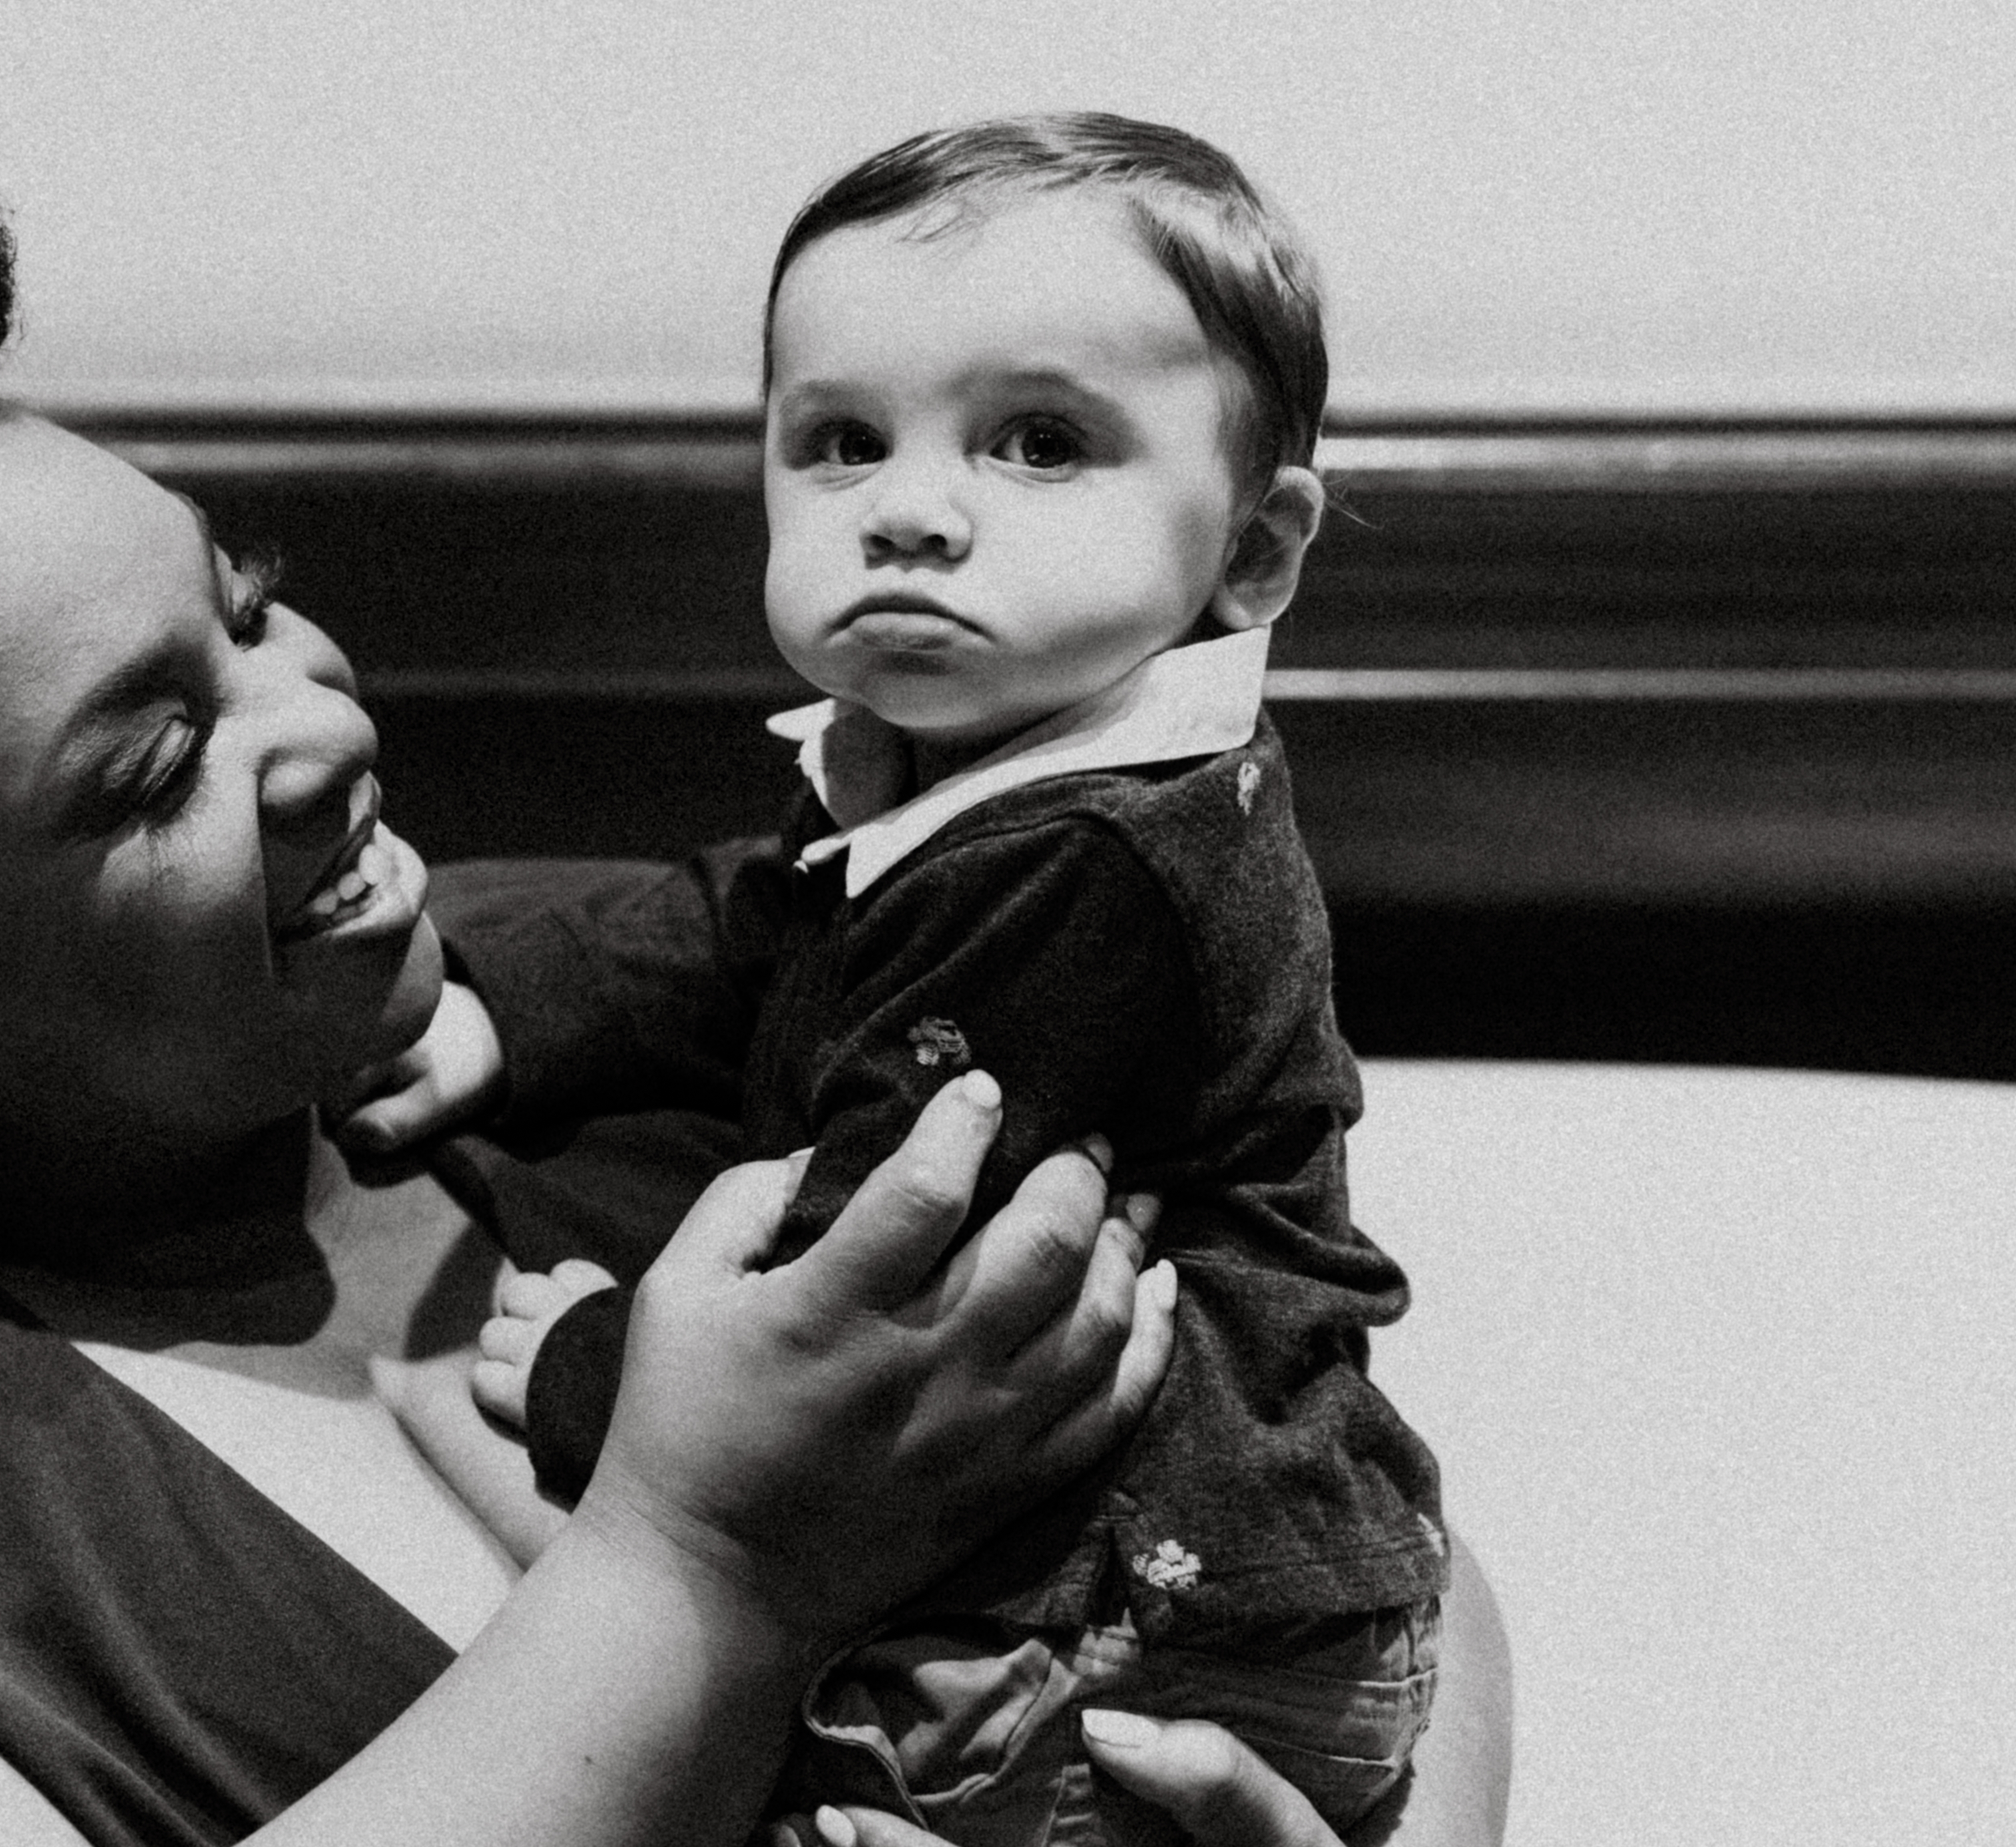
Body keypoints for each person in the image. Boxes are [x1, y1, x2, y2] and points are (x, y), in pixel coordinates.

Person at [0, 123, 1506, 1846]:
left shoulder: (597, 1014)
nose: (325, 720)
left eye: (249, 596)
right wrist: (699, 1572)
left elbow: (1348, 1507)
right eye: (156, 755)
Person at [339, 117, 1443, 1844]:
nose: (913, 512)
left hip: (1138, 1641)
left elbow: (879, 1260)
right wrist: (503, 1011)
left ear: (1254, 546)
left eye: (1039, 443)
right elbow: (753, 914)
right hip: (1177, 1591)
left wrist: (599, 1371)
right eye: (841, 442)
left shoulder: (1084, 858)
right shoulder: (963, 763)